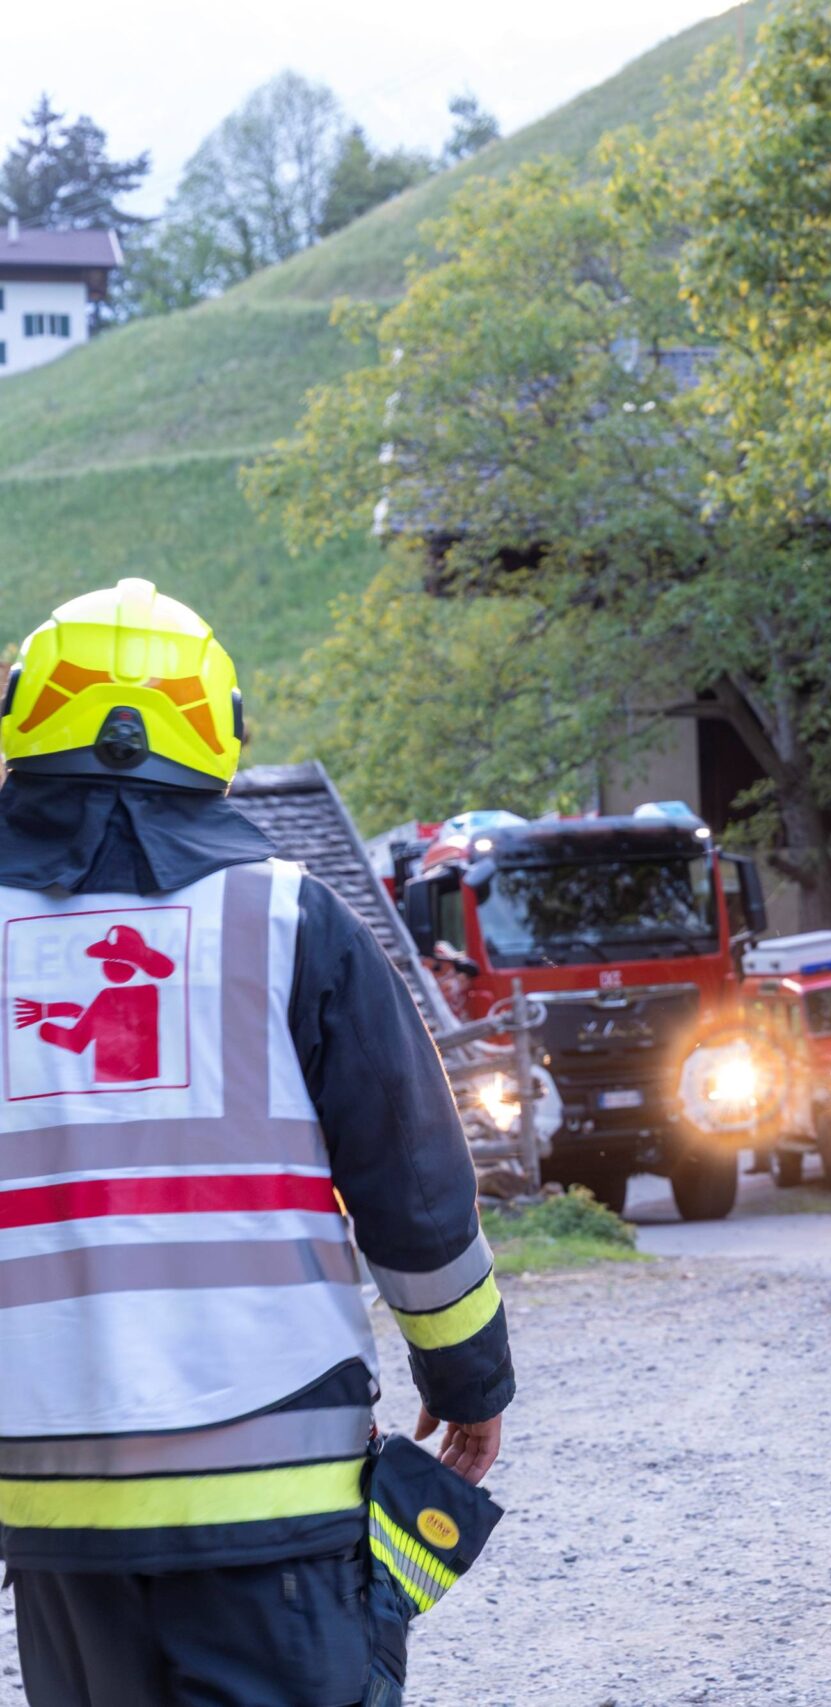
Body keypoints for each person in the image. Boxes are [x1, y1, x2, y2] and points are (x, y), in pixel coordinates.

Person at [0, 580, 514, 1705]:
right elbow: (414, 1188)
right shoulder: (292, 921)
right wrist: (469, 1376)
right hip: (275, 1494)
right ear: (217, 733)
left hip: (51, 1505)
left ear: (25, 720)